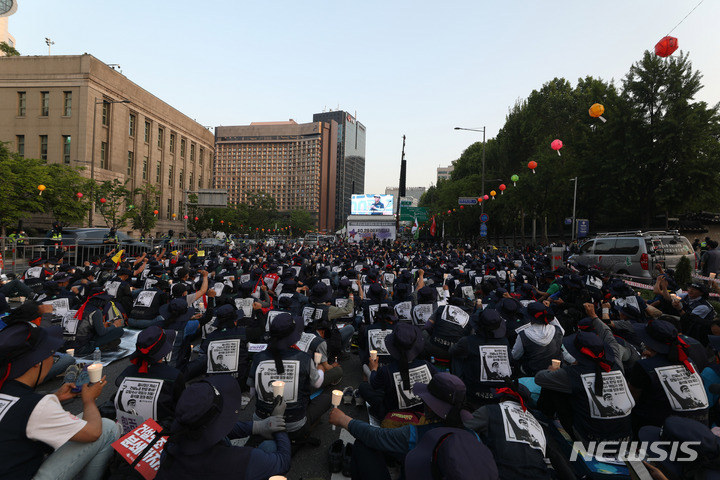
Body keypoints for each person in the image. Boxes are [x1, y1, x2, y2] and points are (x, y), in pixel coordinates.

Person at [0, 321, 119, 479]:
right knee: (107, 428)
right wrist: (89, 400)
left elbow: (17, 414)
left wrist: (55, 397)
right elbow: (93, 433)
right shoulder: (36, 405)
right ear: (36, 363)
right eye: (51, 354)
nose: (54, 358)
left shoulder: (9, 390)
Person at [329, 373, 472, 480]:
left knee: (363, 445)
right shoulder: (474, 435)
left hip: (389, 419)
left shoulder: (417, 434)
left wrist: (343, 419)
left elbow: (376, 436)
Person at [155, 375, 291, 480]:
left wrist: (257, 427)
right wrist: (280, 425)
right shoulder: (238, 460)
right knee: (270, 447)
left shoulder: (170, 450)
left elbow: (213, 430)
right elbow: (283, 461)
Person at [629, 319, 709, 434]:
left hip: (661, 430)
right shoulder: (688, 361)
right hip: (699, 430)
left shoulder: (644, 366)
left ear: (649, 343)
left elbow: (631, 399)